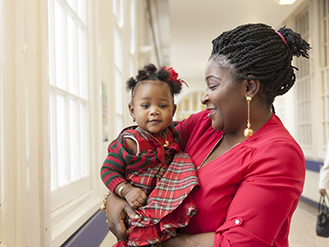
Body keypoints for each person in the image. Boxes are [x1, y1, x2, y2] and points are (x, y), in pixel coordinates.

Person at [103, 23, 310, 246]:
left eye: (212, 86)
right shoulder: (204, 124)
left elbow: (241, 242)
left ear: (249, 87)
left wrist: (154, 241)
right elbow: (141, 154)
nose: (204, 97)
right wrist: (117, 198)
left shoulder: (279, 155)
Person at [100, 64, 199, 247]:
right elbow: (107, 170)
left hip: (162, 204)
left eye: (162, 105)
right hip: (137, 207)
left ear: (173, 110)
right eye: (145, 105)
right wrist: (126, 190)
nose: (154, 111)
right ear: (132, 111)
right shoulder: (129, 142)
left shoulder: (173, 135)